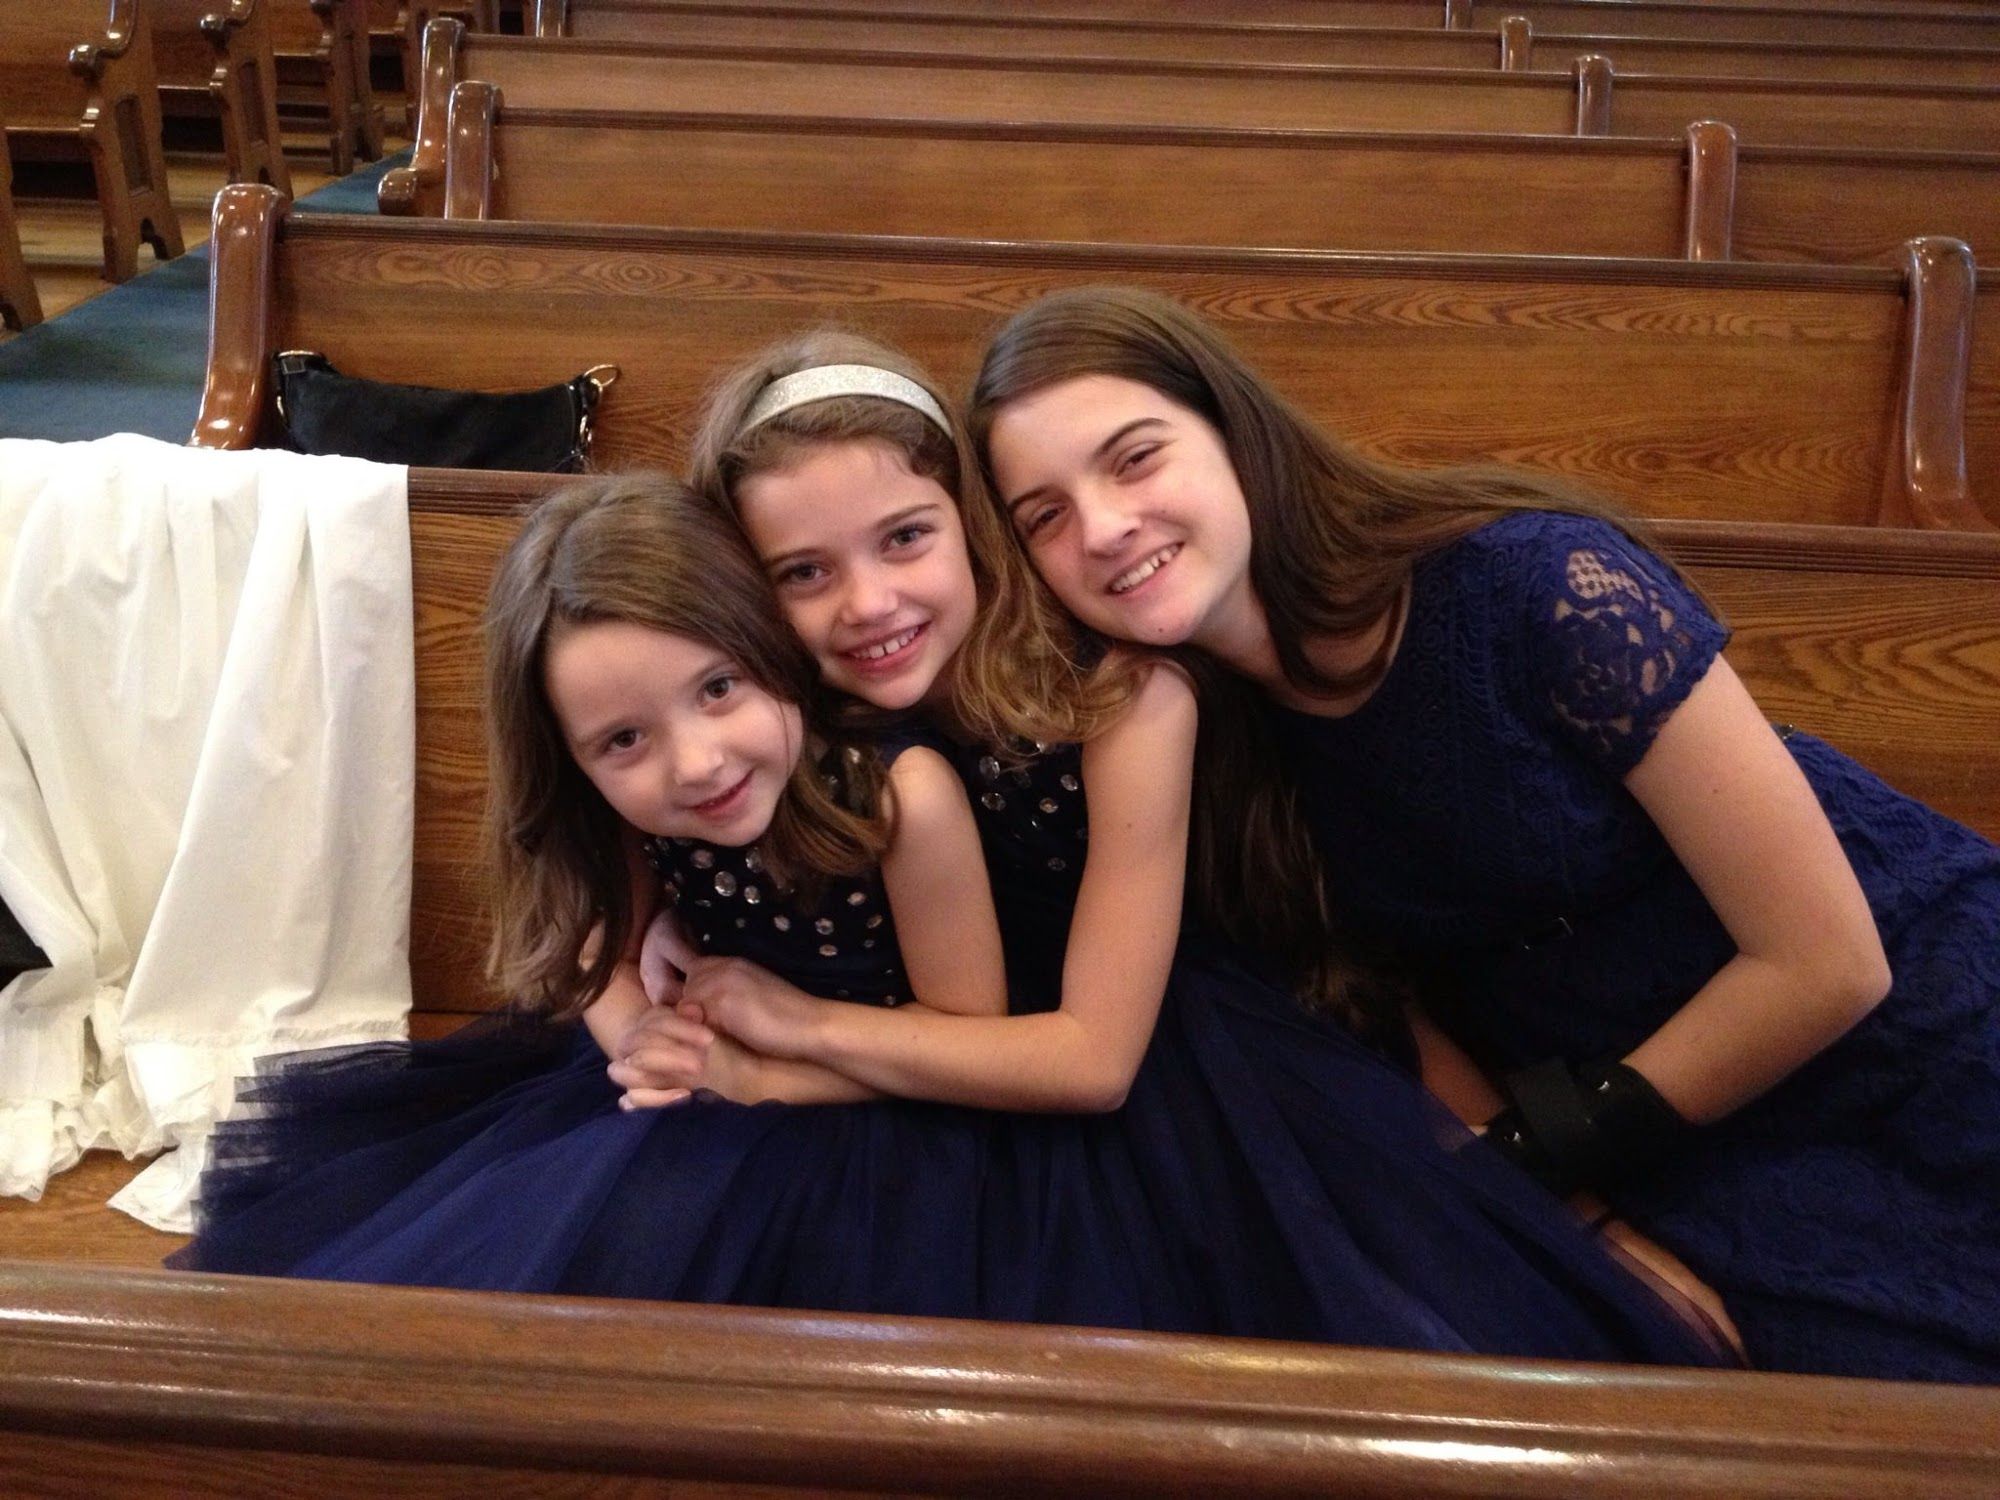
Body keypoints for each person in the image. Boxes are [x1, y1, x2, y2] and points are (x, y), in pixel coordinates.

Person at [601, 332, 1730, 1363]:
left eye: (905, 538)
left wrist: (1566, 1212)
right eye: (801, 573)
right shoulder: (757, 723)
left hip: (1161, 1081)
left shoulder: (1118, 699)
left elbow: (1100, 1058)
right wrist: (658, 961)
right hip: (895, 1100)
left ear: (972, 524)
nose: (866, 602)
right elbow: (595, 883)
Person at [961, 285, 2000, 1383]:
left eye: (1132, 459)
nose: (1103, 528)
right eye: (1044, 517)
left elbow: (1826, 961)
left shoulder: (1531, 583)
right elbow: (1392, 1003)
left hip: (1900, 1020)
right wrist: (1579, 1226)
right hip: (1671, 1124)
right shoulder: (1188, 741)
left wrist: (1531, 1168)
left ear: (1233, 433)